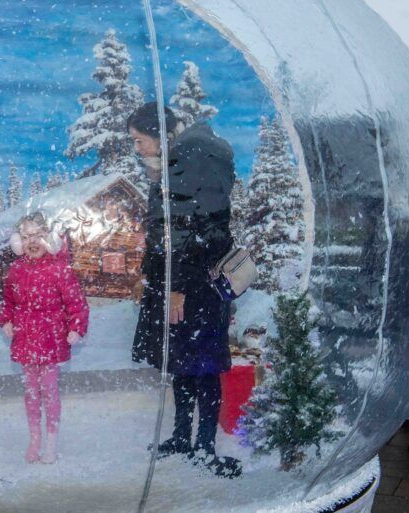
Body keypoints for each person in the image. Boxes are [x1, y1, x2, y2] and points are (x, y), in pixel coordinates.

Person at [128, 102, 241, 478]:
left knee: (204, 367)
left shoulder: (193, 160)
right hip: (184, 286)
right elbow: (166, 233)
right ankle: (181, 436)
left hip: (197, 289)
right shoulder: (180, 161)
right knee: (182, 364)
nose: (138, 148)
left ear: (160, 134)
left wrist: (178, 287)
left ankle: (205, 445)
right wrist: (151, 277)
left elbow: (202, 234)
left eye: (139, 140)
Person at [0, 212, 89, 464]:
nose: (32, 241)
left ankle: (51, 441)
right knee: (31, 391)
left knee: (48, 390)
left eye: (38, 235)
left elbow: (76, 303)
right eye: (26, 236)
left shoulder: (60, 269)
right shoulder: (16, 269)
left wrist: (76, 328)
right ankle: (34, 438)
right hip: (26, 338)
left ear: (49, 238)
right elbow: (8, 301)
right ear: (18, 241)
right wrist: (5, 320)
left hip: (51, 337)